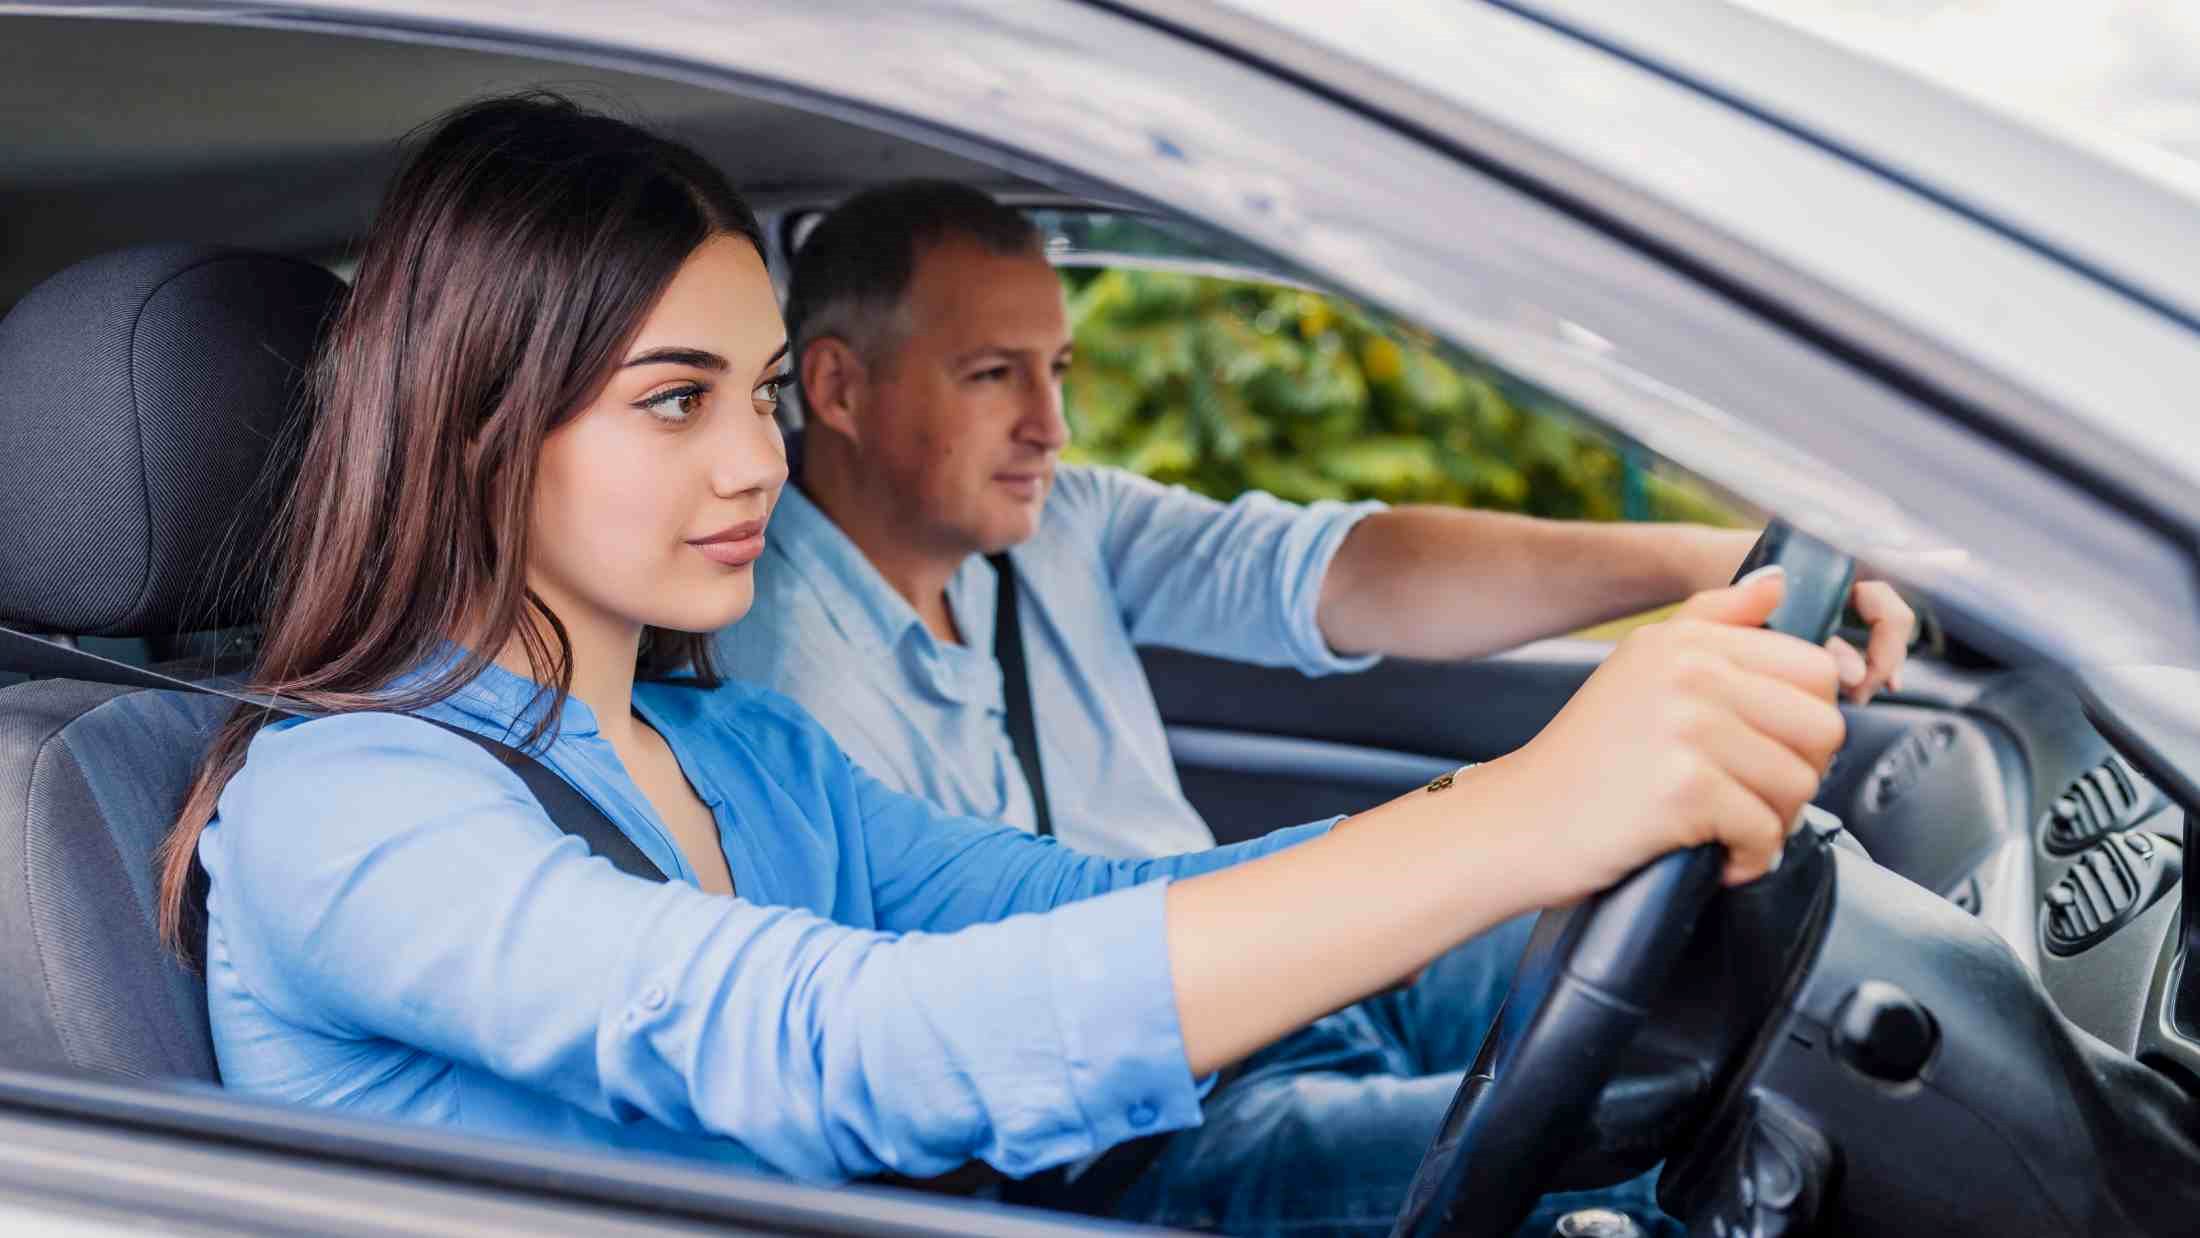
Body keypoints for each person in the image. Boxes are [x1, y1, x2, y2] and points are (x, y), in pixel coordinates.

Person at [160, 96, 1845, 1238]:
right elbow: (841, 1054)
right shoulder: (348, 800)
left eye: (753, 393)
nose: (753, 462)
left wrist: (1541, 824)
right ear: (476, 431)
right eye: (676, 401)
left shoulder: (739, 750)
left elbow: (1085, 903)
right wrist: (1520, 819)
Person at [712, 182, 1914, 1231]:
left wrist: (1710, 568)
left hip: (1293, 975)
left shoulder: (1054, 525)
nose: (1051, 424)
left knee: (1727, 964)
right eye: (993, 376)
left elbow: (1355, 571)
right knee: (1661, 1171)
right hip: (1117, 1144)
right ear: (839, 388)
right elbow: (948, 1049)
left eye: (1059, 369)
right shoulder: (771, 682)